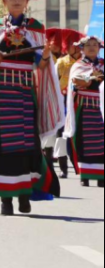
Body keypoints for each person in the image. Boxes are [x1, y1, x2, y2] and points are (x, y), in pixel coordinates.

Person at [0, 0, 64, 216]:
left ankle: (24, 194)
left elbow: (41, 66)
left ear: (27, 1)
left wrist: (46, 58)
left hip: (24, 91)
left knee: (26, 144)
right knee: (0, 144)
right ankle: (5, 199)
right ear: (4, 0)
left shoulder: (36, 28)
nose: (16, 0)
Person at [63, 36, 104, 187]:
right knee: (83, 139)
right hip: (84, 106)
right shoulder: (78, 65)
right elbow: (75, 81)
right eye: (88, 45)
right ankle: (85, 175)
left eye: (95, 45)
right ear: (82, 48)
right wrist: (89, 77)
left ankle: (101, 176)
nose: (92, 47)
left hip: (101, 107)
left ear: (99, 48)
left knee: (102, 141)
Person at [53, 29, 84, 178]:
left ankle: (81, 164)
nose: (76, 47)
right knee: (61, 135)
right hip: (62, 101)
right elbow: (53, 83)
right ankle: (63, 167)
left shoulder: (85, 62)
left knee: (79, 132)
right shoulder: (61, 62)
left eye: (78, 44)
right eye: (72, 44)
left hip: (80, 100)